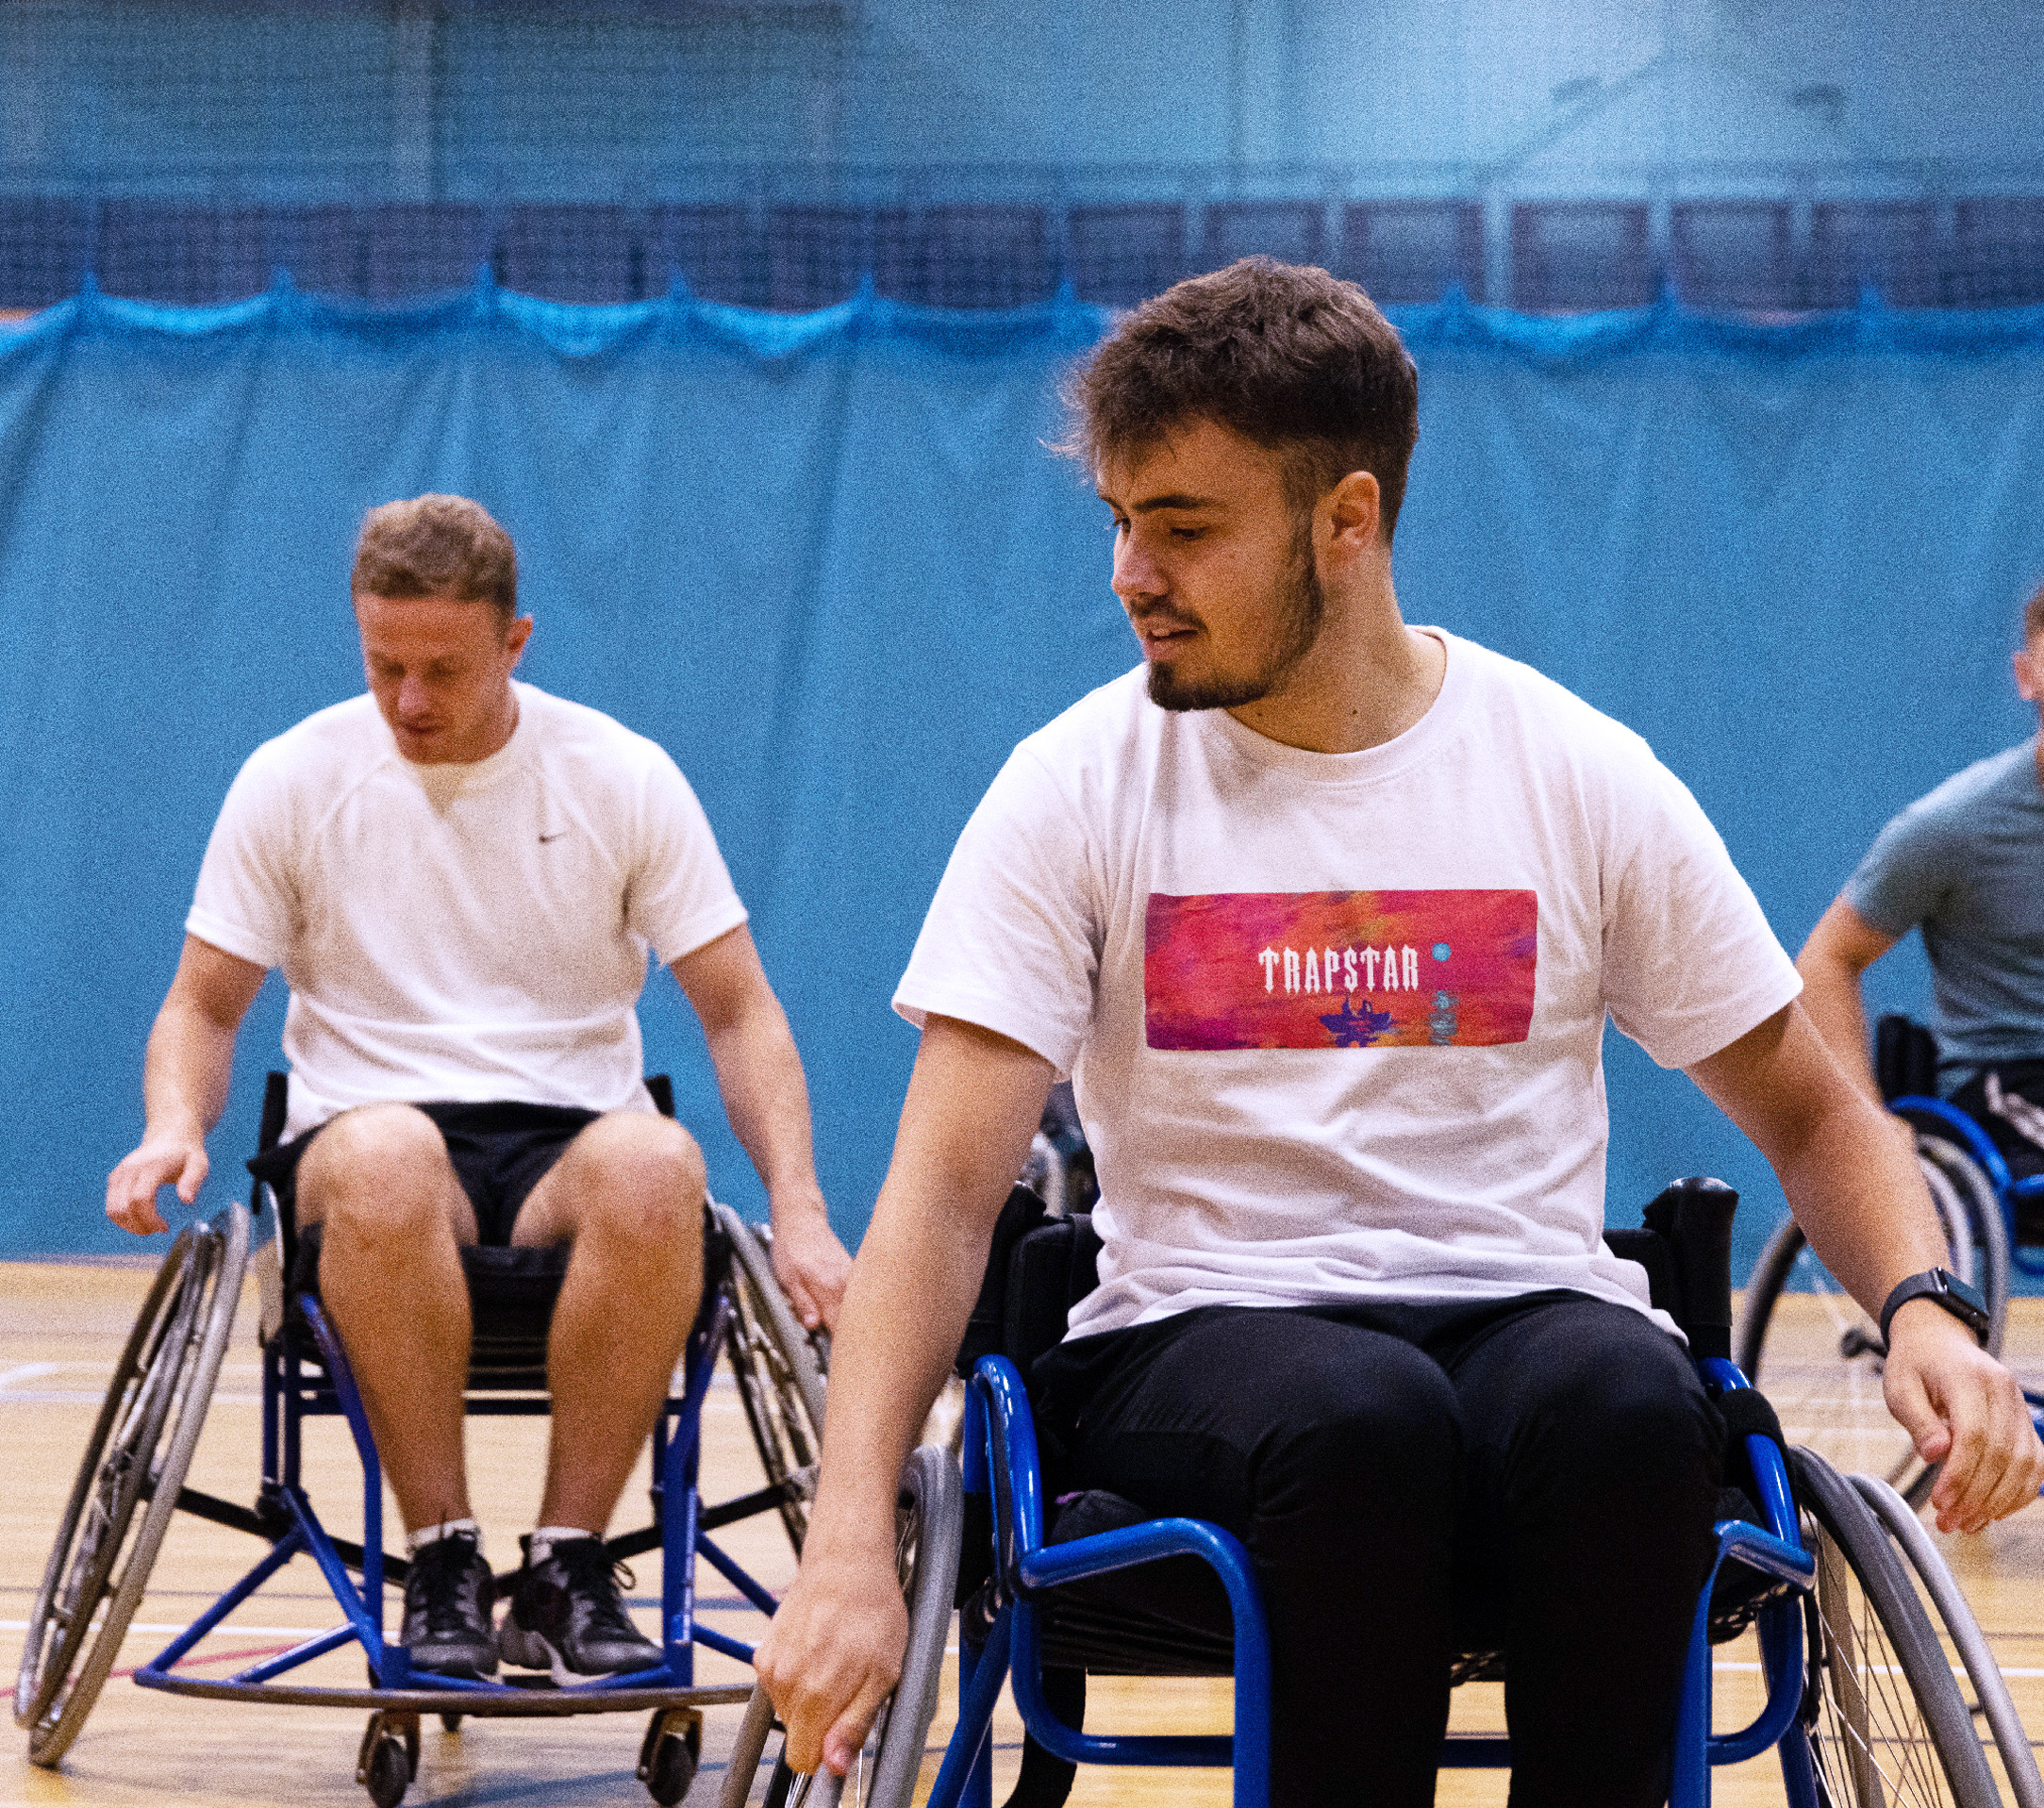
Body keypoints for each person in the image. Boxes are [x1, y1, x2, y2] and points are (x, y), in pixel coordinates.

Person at [754, 260, 2044, 1807]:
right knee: (1360, 1420)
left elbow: (1817, 1113)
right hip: (1200, 1342)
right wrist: (843, 1548)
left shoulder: (1572, 772)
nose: (1127, 573)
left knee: (1632, 1401)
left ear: (1344, 521)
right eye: (1118, 521)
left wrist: (1920, 1302)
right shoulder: (1071, 788)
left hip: (1517, 1317)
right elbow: (943, 1198)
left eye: (1181, 528)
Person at [106, 493, 852, 1685]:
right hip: (366, 1140)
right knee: (392, 1152)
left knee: (661, 1165)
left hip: (568, 1146)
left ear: (516, 643)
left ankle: (565, 1563)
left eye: (441, 668)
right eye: (383, 663)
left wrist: (802, 1211)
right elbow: (202, 1004)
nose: (408, 699)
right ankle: (442, 1557)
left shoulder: (619, 775)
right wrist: (171, 1127)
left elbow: (740, 1010)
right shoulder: (293, 778)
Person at [1799, 582, 2044, 1183]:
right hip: (2002, 1083)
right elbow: (1828, 959)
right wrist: (1863, 1120)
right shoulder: (1953, 826)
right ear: (2026, 676)